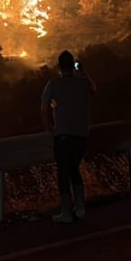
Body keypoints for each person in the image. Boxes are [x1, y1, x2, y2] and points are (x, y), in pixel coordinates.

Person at [40, 50, 95, 223]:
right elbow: (94, 89)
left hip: (63, 135)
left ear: (58, 66)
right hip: (81, 135)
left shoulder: (54, 83)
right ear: (73, 65)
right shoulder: (83, 83)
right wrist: (84, 73)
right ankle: (80, 208)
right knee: (74, 170)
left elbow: (43, 106)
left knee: (64, 172)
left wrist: (47, 127)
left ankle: (66, 212)